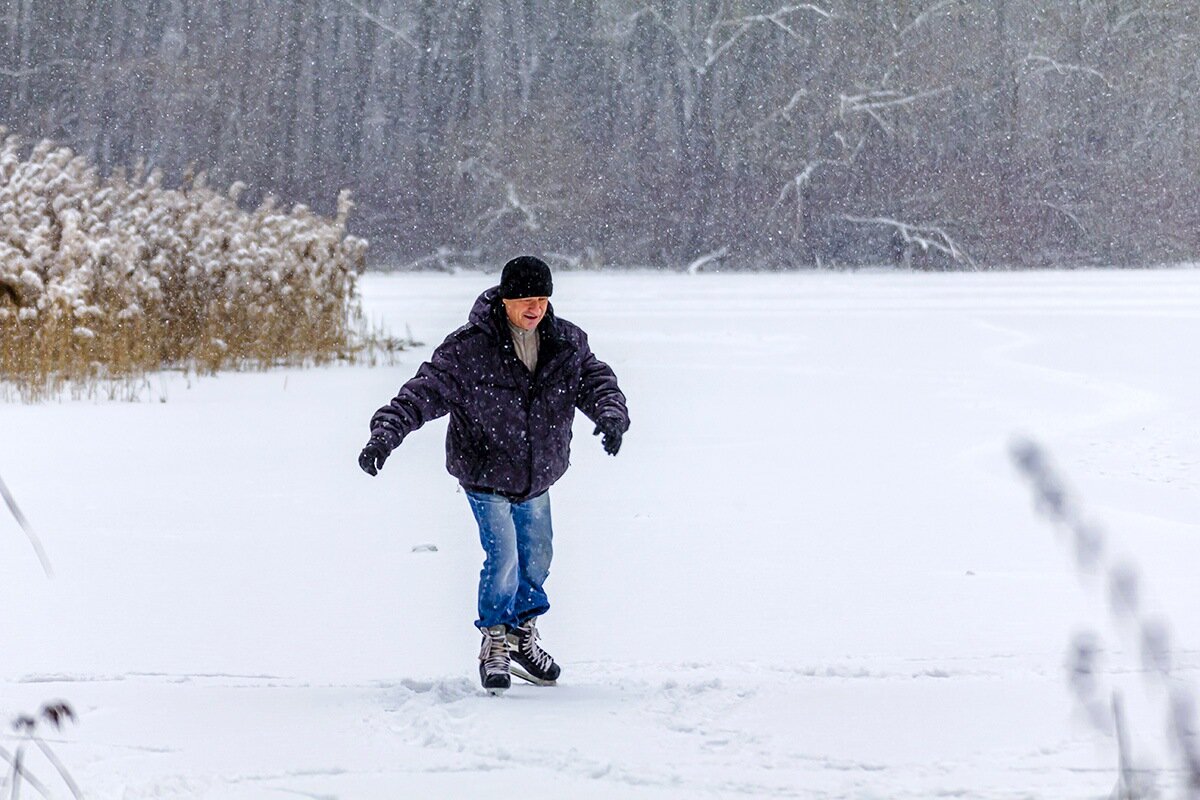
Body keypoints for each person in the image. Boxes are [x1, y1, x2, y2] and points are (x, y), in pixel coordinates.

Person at [358, 256, 629, 692]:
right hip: (484, 472)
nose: (535, 308)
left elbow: (597, 382)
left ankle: (523, 635)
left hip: (538, 473)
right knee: (503, 556)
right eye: (525, 299)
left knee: (538, 555)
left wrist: (611, 416)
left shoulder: (566, 343)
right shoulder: (468, 349)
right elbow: (421, 393)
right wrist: (385, 434)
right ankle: (495, 640)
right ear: (505, 300)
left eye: (542, 299)